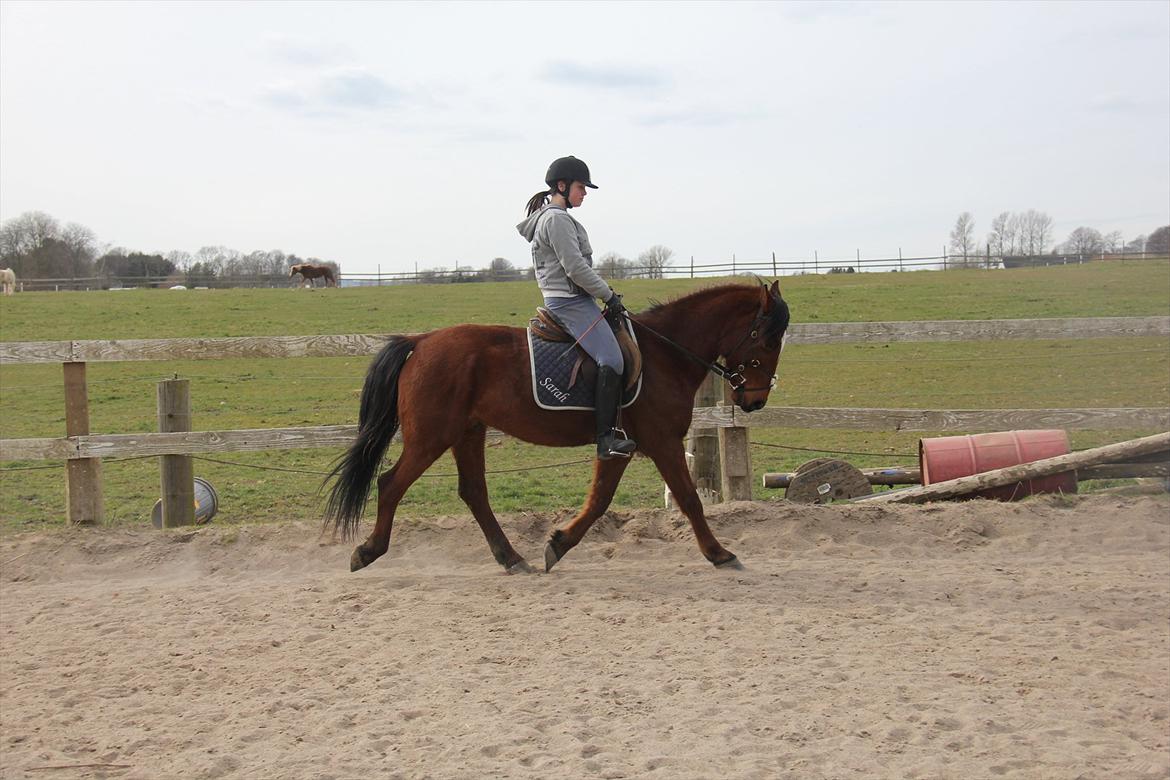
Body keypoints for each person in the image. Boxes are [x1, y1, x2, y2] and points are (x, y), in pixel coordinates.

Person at [516, 155, 637, 460]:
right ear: (562, 185)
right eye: (581, 187)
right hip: (569, 302)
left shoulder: (557, 218)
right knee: (612, 358)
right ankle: (605, 438)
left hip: (575, 298)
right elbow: (576, 269)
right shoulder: (556, 220)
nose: (584, 193)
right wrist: (608, 295)